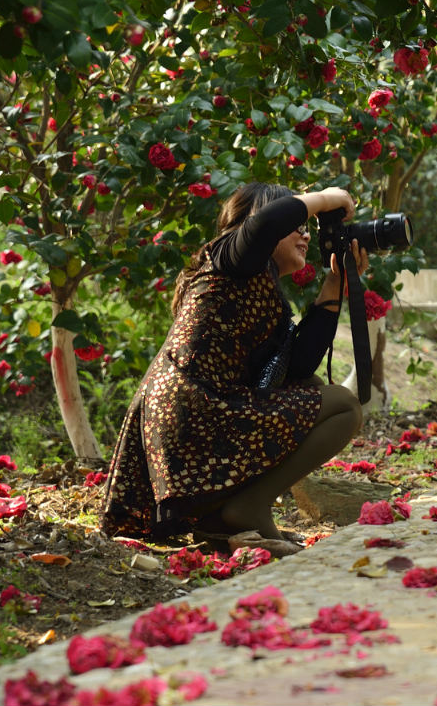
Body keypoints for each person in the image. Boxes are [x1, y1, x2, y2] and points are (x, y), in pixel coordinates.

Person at [100, 184, 370, 555]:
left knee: (312, 387)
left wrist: (335, 283)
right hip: (194, 411)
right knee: (342, 404)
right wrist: (326, 199)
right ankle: (247, 509)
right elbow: (264, 225)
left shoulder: (259, 286)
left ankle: (220, 519)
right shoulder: (229, 257)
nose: (306, 233)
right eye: (300, 225)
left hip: (201, 415)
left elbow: (299, 367)